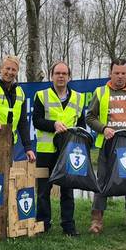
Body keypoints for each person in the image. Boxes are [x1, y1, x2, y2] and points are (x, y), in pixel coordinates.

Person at [86, 57, 126, 235]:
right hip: (108, 145)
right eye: (116, 73)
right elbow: (90, 117)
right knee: (102, 182)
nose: (120, 76)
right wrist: (103, 128)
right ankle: (96, 221)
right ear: (110, 73)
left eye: (123, 73)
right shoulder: (101, 92)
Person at [33, 61, 84, 236]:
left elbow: (82, 124)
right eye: (57, 73)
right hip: (46, 151)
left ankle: (69, 227)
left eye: (64, 73)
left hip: (68, 151)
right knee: (43, 191)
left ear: (69, 77)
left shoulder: (79, 97)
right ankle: (43, 225)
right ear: (51, 76)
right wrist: (53, 124)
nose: (61, 76)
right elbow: (37, 121)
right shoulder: (41, 95)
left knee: (68, 190)